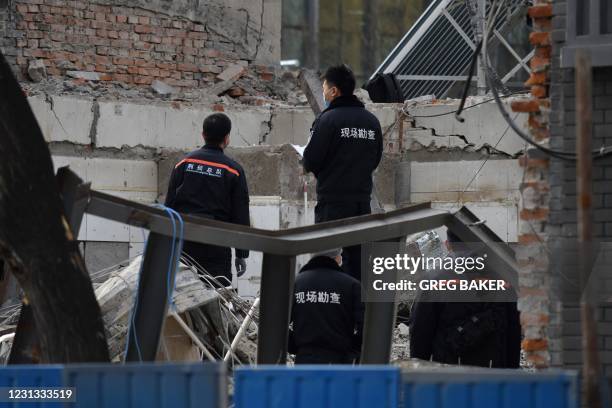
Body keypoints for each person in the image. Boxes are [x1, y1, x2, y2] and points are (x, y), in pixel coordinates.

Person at [303, 64, 383, 281]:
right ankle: (355, 308)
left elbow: (309, 160)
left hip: (332, 203)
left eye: (325, 87)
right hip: (361, 203)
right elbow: (375, 160)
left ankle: (329, 308)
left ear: (334, 91)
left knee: (324, 260)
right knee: (357, 262)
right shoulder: (372, 122)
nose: (323, 92)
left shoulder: (326, 121)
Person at [409, 230, 521, 368]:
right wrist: (512, 371)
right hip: (494, 376)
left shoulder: (433, 279)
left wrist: (418, 371)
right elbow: (514, 330)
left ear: (447, 244)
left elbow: (420, 331)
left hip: (448, 376)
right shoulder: (503, 279)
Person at [165, 113, 250, 287]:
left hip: (184, 241)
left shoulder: (183, 164)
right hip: (216, 242)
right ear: (227, 139)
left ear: (203, 134)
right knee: (218, 295)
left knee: (183, 294)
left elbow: (169, 206)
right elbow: (240, 214)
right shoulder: (233, 171)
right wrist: (241, 253)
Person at [288, 249, 364, 364]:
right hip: (339, 362)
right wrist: (352, 349)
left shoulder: (297, 284)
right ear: (337, 257)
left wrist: (295, 346)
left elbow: (278, 324)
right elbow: (366, 325)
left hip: (305, 360)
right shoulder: (352, 285)